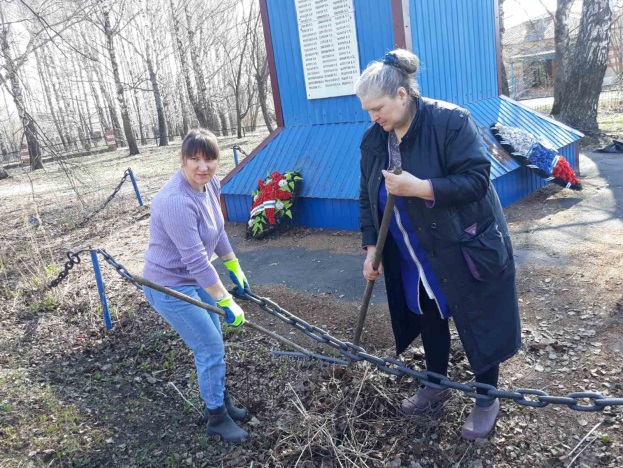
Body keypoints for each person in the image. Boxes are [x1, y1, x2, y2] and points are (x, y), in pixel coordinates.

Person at [355, 50, 521, 440]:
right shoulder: (373, 139)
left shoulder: (450, 121)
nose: (372, 117)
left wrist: (421, 188)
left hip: (462, 245)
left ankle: (486, 399)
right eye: (367, 110)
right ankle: (436, 382)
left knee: (476, 317)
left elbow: (478, 179)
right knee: (429, 312)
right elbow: (365, 196)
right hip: (413, 252)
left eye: (377, 108)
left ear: (401, 94)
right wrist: (370, 249)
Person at [142, 128, 251, 443]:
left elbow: (217, 230)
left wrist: (234, 265)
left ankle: (220, 400)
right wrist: (226, 300)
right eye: (195, 159)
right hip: (168, 284)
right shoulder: (175, 201)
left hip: (193, 278)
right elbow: (196, 262)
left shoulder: (210, 183)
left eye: (210, 159)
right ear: (183, 159)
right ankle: (216, 417)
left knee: (215, 337)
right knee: (209, 346)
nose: (203, 166)